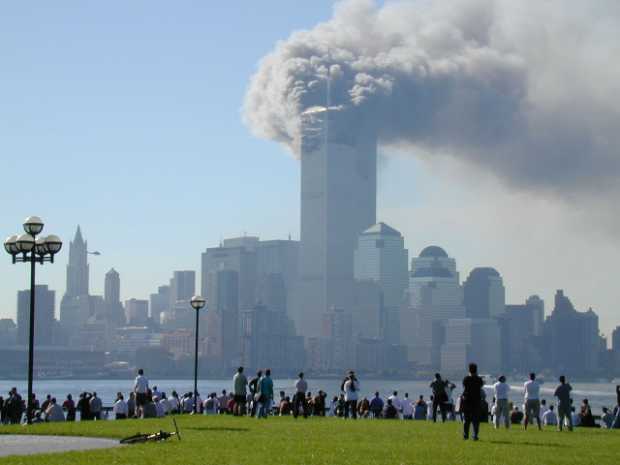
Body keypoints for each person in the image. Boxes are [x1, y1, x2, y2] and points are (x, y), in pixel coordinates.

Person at [462, 363, 484, 441]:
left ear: (469, 370)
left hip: (467, 401)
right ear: (476, 369)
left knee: (466, 419)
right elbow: (481, 386)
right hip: (476, 401)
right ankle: (475, 435)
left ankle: (465, 435)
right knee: (476, 420)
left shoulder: (466, 378)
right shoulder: (479, 379)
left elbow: (464, 387)